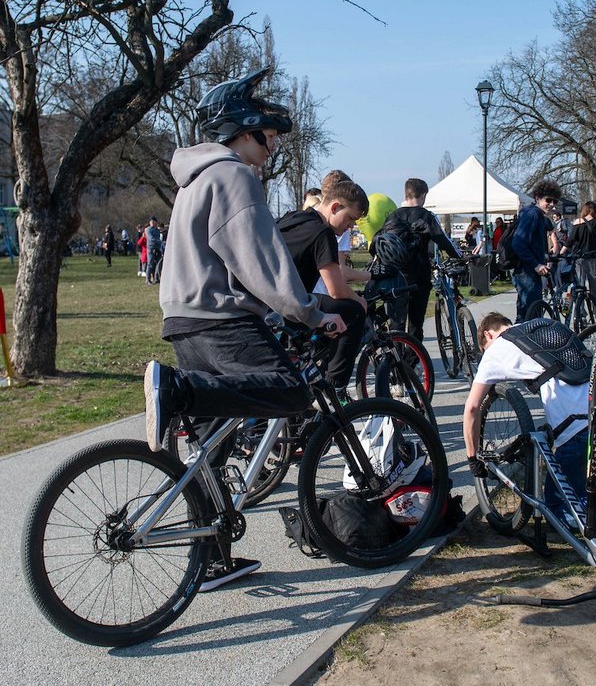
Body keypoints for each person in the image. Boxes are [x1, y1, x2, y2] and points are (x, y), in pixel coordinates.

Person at [143, 67, 344, 592]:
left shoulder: (194, 179)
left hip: (183, 318)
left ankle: (211, 560)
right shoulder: (233, 176)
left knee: (209, 449)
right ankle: (177, 390)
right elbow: (261, 262)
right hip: (221, 319)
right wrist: (310, 312)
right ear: (242, 129)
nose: (273, 147)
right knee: (291, 392)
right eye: (269, 136)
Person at [463, 312, 596, 558]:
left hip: (581, 425)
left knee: (558, 507)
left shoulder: (495, 350)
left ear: (487, 335)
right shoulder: (542, 325)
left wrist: (473, 458)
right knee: (580, 477)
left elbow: (472, 409)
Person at [277, 175, 370, 402]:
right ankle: (335, 389)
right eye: (350, 219)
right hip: (289, 306)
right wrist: (359, 300)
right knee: (353, 312)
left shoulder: (294, 218)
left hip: (270, 301)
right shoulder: (323, 232)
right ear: (335, 207)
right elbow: (336, 289)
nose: (351, 226)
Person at [373, 177, 461, 343]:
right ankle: (414, 356)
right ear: (424, 195)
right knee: (416, 324)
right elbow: (443, 241)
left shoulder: (392, 217)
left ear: (406, 194)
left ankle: (395, 356)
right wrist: (460, 256)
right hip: (419, 276)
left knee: (396, 324)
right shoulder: (426, 216)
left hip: (395, 277)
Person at [511, 180, 561, 322]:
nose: (552, 204)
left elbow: (533, 243)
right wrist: (536, 264)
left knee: (528, 315)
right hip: (526, 272)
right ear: (538, 198)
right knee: (530, 317)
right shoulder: (533, 214)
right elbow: (518, 243)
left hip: (529, 271)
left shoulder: (537, 215)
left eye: (555, 201)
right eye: (548, 200)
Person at [568, 201, 596, 322]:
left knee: (580, 287)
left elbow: (569, 241)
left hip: (579, 258)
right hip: (593, 257)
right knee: (593, 287)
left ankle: (580, 313)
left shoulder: (577, 223)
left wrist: (560, 253)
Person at [144, 217, 163, 284]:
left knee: (158, 264)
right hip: (151, 248)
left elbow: (158, 238)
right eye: (151, 221)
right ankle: (148, 279)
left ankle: (156, 279)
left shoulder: (157, 230)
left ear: (156, 222)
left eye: (153, 221)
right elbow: (151, 238)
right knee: (150, 264)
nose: (152, 222)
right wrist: (161, 242)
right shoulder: (148, 229)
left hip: (157, 248)